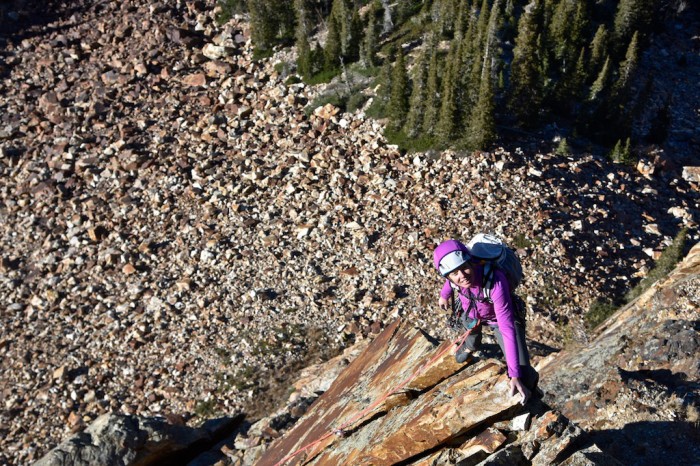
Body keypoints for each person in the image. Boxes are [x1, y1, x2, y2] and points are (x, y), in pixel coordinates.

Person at [433, 239, 539, 404]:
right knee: (472, 337)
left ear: (471, 262)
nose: (462, 276)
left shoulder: (495, 280)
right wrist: (444, 295)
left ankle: (531, 394)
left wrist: (514, 374)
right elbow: (449, 282)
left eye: (464, 268)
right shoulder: (454, 275)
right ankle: (469, 347)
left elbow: (507, 327)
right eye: (455, 273)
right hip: (471, 313)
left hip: (499, 319)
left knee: (522, 369)